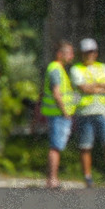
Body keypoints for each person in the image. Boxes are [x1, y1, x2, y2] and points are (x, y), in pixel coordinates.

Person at [71, 38, 105, 187]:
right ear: (81, 53)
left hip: (102, 112)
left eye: (92, 52)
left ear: (96, 53)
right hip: (84, 112)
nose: (89, 55)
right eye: (86, 52)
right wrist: (102, 86)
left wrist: (94, 86)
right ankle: (87, 177)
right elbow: (83, 87)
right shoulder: (77, 69)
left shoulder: (102, 67)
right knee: (86, 146)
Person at [41, 40, 76, 189]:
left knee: (57, 146)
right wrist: (65, 112)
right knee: (55, 146)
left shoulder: (59, 69)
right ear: (60, 54)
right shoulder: (55, 68)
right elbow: (56, 93)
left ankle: (53, 178)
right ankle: (52, 179)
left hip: (58, 114)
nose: (72, 56)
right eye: (69, 53)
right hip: (58, 114)